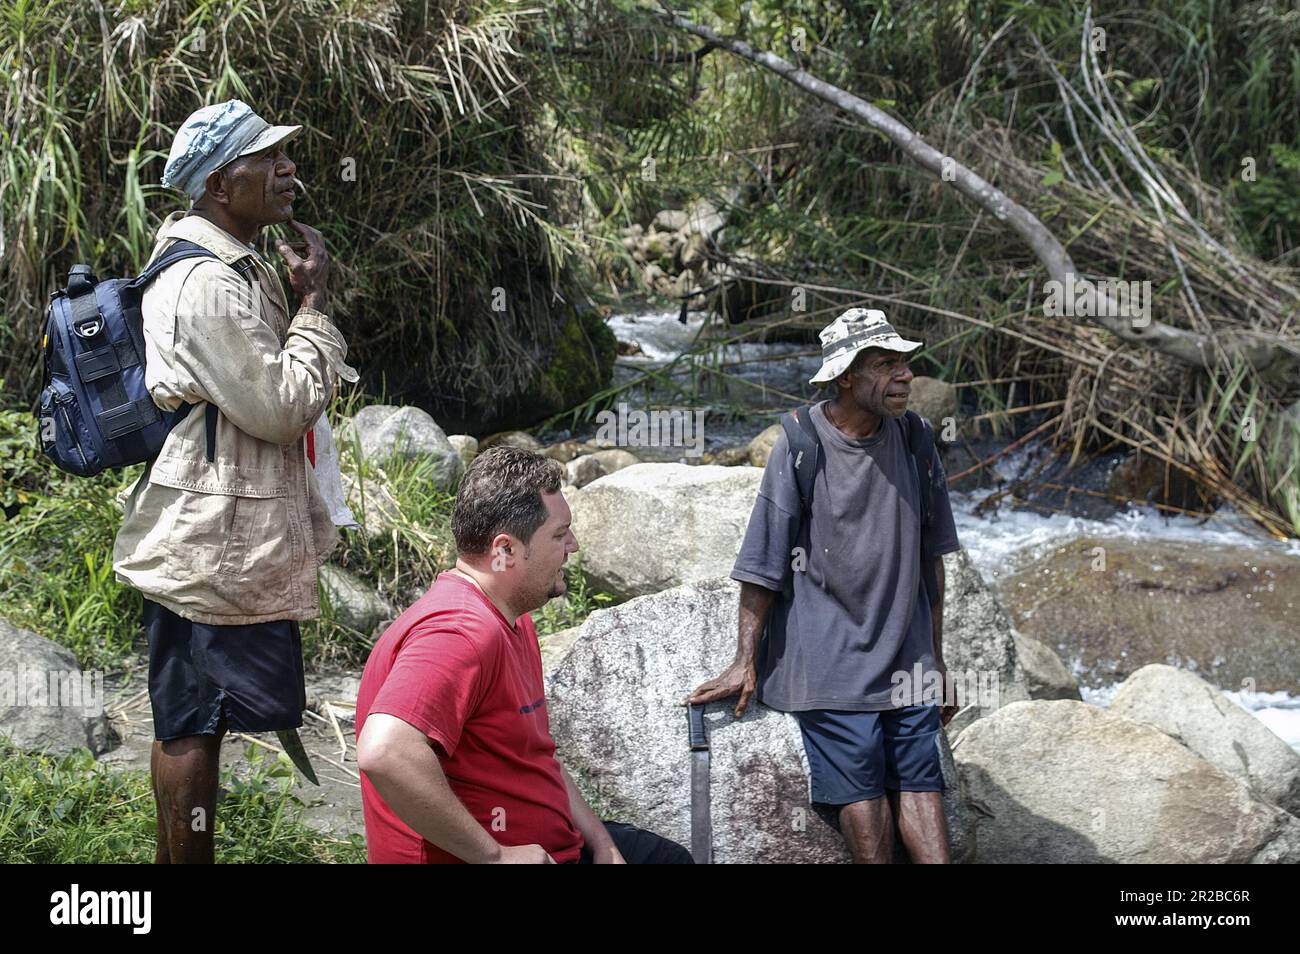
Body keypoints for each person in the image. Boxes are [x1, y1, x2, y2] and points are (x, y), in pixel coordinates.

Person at [113, 100, 358, 863]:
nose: (289, 169)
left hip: (225, 527)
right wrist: (314, 305)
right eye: (269, 159)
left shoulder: (232, 265)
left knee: (198, 716)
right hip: (211, 536)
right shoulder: (205, 286)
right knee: (191, 719)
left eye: (286, 155)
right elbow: (281, 406)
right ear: (223, 183)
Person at [689, 307, 962, 863]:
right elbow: (764, 560)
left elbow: (933, 557)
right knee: (863, 791)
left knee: (920, 780)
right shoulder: (799, 442)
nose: (906, 376)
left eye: (906, 363)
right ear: (845, 377)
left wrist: (935, 658)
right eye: (886, 365)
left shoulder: (915, 438)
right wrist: (746, 660)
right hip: (829, 662)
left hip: (906, 657)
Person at [355, 446, 691, 864]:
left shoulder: (511, 618)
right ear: (506, 550)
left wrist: (602, 843)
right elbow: (384, 751)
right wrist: (495, 856)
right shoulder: (460, 633)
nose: (574, 545)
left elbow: (535, 757)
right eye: (558, 534)